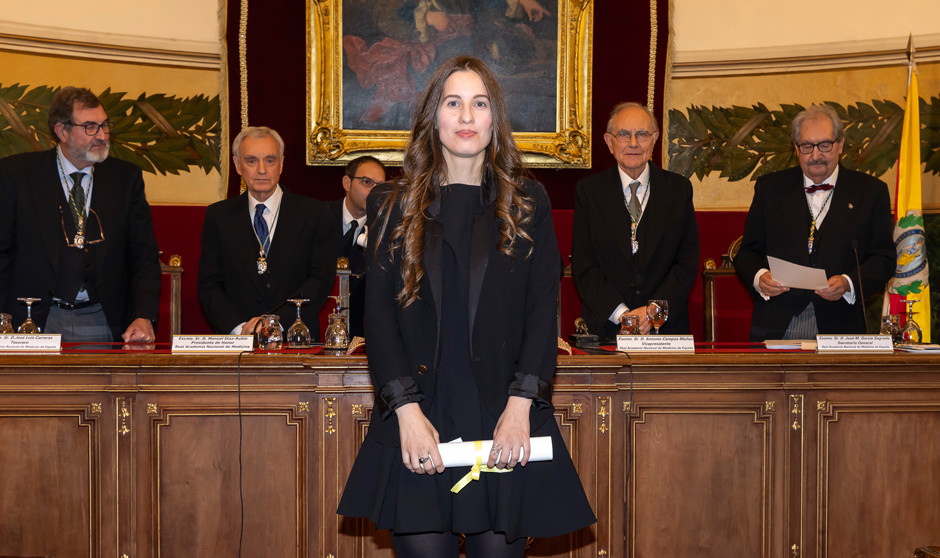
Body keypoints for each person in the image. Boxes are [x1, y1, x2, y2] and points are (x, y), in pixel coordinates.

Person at [338, 55, 594, 557]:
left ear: (494, 118)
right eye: (453, 103)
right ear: (434, 117)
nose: (466, 116)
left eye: (479, 104)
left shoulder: (528, 202)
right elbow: (380, 320)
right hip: (420, 416)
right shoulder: (390, 203)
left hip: (502, 416)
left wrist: (522, 406)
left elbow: (544, 312)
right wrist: (405, 411)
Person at [0, 86, 161, 343]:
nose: (102, 135)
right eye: (90, 127)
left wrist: (144, 314)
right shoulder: (17, 175)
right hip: (34, 319)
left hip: (102, 318)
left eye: (105, 125)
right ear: (61, 131)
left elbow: (143, 254)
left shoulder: (125, 178)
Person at [734, 104, 895, 341]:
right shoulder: (770, 189)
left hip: (842, 323)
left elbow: (884, 259)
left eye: (825, 145)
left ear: (840, 145)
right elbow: (747, 253)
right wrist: (760, 278)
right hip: (778, 322)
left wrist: (847, 283)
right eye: (807, 146)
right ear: (796, 149)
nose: (816, 155)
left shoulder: (871, 192)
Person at [571, 102, 699, 341]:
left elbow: (686, 263)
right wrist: (623, 316)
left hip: (665, 331)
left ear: (654, 139)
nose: (633, 143)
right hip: (607, 329)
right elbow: (584, 265)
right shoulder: (589, 191)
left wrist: (652, 312)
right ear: (609, 142)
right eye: (623, 134)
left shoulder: (678, 190)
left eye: (642, 134)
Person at [197, 126, 335, 338]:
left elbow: (320, 280)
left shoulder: (314, 213)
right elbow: (209, 285)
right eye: (251, 161)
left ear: (281, 164)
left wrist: (273, 324)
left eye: (270, 160)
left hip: (295, 340)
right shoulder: (219, 216)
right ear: (237, 165)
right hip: (236, 341)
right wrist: (240, 327)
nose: (262, 169)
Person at [326, 156, 387, 338]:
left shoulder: (387, 229)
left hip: (362, 335)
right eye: (367, 182)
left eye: (380, 186)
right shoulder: (317, 218)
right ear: (347, 182)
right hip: (318, 330)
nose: (373, 192)